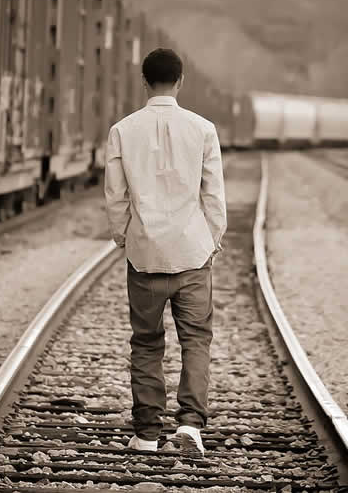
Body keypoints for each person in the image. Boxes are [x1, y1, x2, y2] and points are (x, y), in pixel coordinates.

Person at [104, 48, 227, 458]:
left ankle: (147, 434)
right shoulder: (203, 129)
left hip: (145, 257)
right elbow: (213, 193)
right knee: (196, 340)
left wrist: (125, 238)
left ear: (144, 81)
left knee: (146, 343)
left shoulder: (122, 130)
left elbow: (116, 196)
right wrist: (213, 238)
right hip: (192, 253)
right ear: (180, 81)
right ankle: (191, 424)